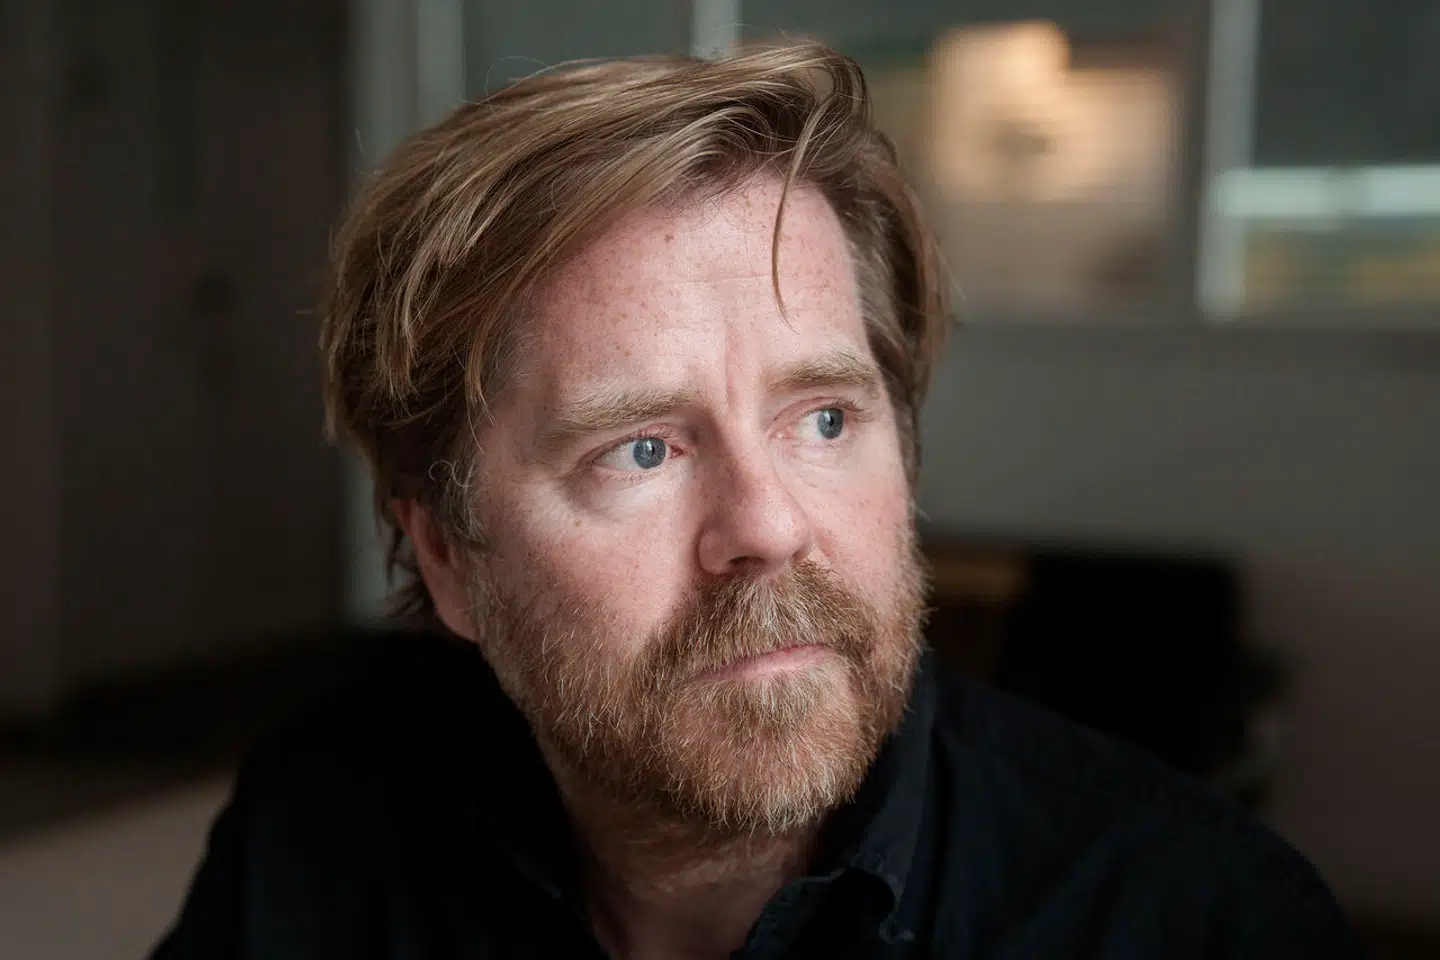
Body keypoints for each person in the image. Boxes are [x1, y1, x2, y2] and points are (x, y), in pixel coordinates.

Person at [152, 44, 1358, 959]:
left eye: (824, 421)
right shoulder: (316, 837)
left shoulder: (1202, 921)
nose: (770, 528)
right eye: (640, 450)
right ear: (448, 557)